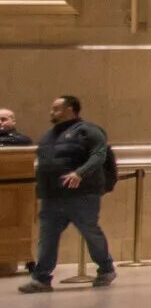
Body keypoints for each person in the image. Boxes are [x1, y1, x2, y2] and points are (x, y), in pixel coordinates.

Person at [22, 96, 115, 293]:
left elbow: (99, 154)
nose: (51, 112)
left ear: (71, 108)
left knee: (90, 232)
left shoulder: (88, 131)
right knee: (47, 237)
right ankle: (41, 278)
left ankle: (106, 268)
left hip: (82, 195)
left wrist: (79, 173)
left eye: (56, 108)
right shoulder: (49, 135)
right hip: (52, 196)